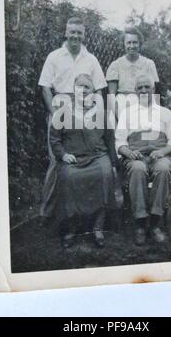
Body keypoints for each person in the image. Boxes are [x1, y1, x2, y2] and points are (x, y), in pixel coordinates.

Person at [38, 17, 107, 218]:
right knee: (57, 160)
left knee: (89, 157)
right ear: (66, 33)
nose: (75, 36)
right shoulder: (54, 56)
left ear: (84, 35)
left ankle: (87, 211)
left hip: (86, 112)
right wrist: (55, 114)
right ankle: (48, 211)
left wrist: (96, 115)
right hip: (60, 107)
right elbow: (45, 87)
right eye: (72, 32)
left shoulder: (91, 59)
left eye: (79, 32)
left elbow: (100, 90)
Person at [50, 74, 117, 248]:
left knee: (106, 173)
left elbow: (110, 140)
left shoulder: (101, 114)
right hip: (73, 159)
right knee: (69, 178)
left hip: (98, 157)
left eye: (87, 87)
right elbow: (55, 139)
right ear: (74, 89)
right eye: (80, 86)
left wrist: (114, 164)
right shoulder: (62, 113)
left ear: (93, 91)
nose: (83, 90)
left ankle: (98, 227)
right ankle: (72, 228)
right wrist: (63, 155)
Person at [115, 75, 171, 246]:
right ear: (135, 92)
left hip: (158, 154)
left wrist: (162, 151)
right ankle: (139, 224)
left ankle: (154, 223)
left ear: (153, 90)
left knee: (164, 169)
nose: (144, 90)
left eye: (147, 87)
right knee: (137, 169)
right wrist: (128, 153)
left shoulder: (165, 113)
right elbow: (120, 141)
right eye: (140, 88)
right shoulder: (127, 113)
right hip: (136, 156)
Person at [106, 26, 159, 121]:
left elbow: (153, 92)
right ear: (124, 44)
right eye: (128, 43)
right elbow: (111, 95)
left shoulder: (149, 64)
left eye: (135, 42)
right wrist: (117, 114)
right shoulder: (116, 65)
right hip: (121, 103)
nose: (132, 46)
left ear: (139, 44)